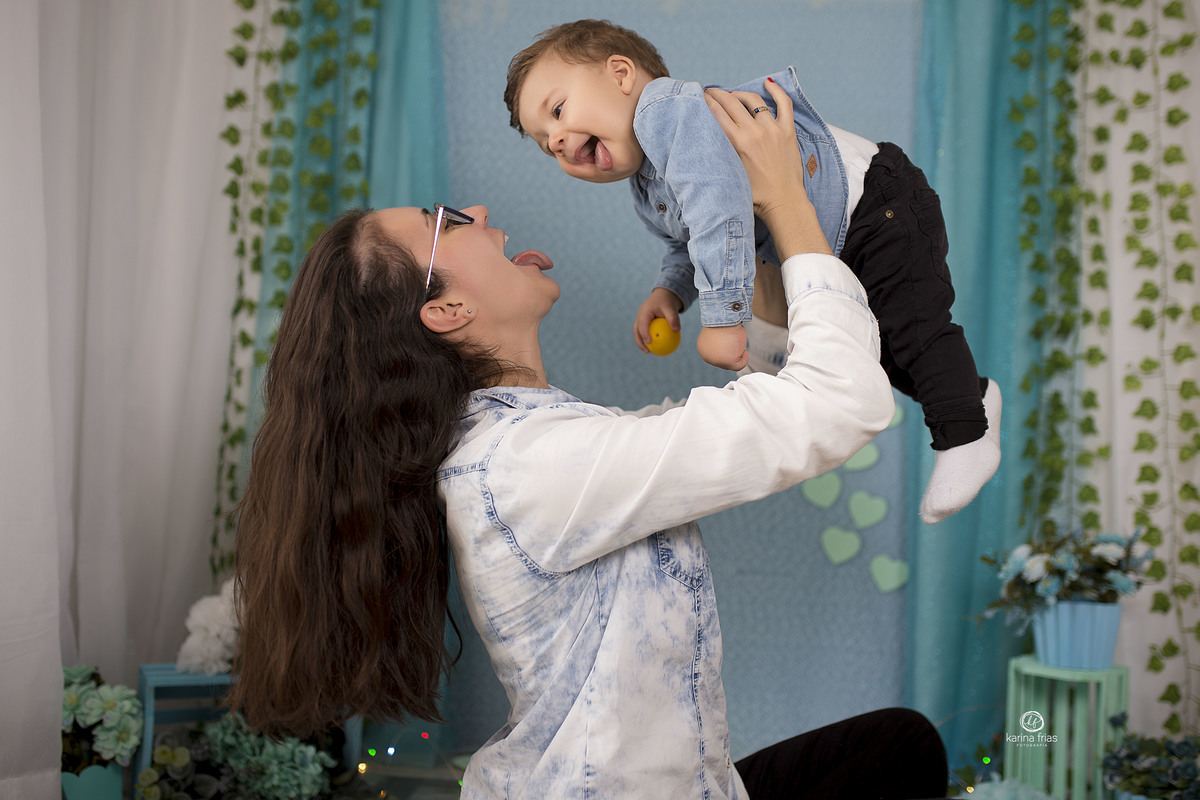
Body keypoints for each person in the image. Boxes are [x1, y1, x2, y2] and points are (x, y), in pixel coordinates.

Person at [230, 76, 949, 799]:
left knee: (895, 748)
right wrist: (790, 201)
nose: (479, 212)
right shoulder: (526, 466)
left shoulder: (533, 442)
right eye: (446, 220)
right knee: (899, 754)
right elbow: (838, 403)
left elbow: (754, 410)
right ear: (446, 310)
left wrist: (755, 248)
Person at [504, 18, 1002, 524]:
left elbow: (718, 211)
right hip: (842, 237)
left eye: (558, 111)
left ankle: (966, 434)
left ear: (621, 74)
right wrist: (670, 292)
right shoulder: (647, 185)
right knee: (886, 351)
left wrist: (724, 320)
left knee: (915, 329)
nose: (558, 141)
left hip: (877, 204)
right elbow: (689, 242)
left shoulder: (667, 112)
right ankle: (975, 395)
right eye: (547, 145)